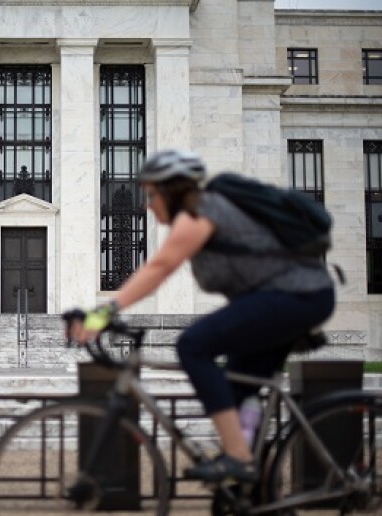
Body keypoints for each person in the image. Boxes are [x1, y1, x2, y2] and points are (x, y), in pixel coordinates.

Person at [66, 149, 335, 483]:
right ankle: (262, 496)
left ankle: (237, 457)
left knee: (193, 344)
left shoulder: (201, 211)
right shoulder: (203, 212)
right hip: (285, 299)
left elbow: (159, 268)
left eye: (151, 195)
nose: (146, 205)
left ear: (171, 190)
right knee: (237, 384)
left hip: (296, 296)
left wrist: (101, 314)